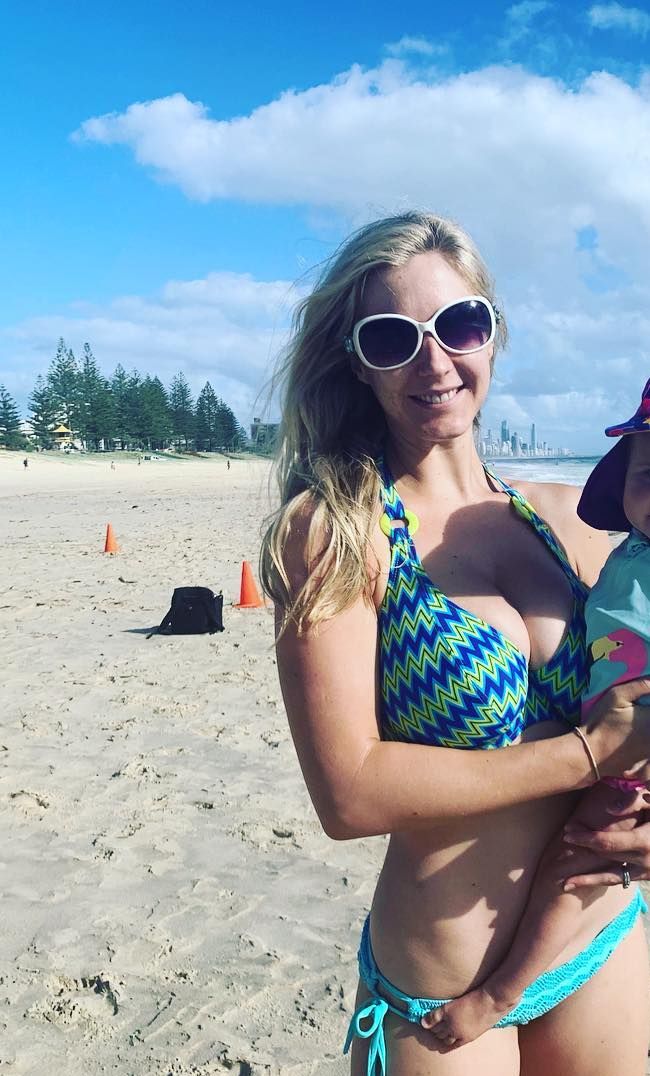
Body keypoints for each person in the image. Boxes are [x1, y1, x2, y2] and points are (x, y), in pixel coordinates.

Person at [260, 212, 650, 1076]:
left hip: (600, 938)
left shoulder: (576, 521)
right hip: (445, 996)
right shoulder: (339, 531)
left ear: (493, 332)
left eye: (459, 324)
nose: (434, 361)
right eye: (393, 338)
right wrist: (589, 753)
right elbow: (348, 794)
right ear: (357, 362)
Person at [421, 377, 650, 1049]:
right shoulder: (628, 550)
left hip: (636, 755)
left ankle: (501, 992)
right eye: (648, 476)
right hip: (611, 744)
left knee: (573, 867)